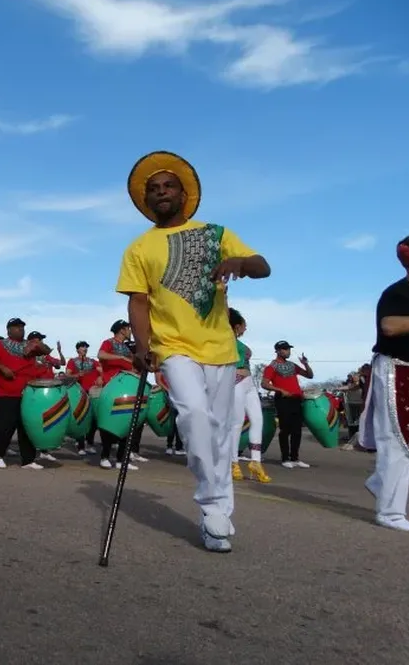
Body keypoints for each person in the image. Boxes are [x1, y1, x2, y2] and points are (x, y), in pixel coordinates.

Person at [116, 151, 270, 553]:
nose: (161, 192)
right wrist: (143, 347)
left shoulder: (216, 234)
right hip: (173, 348)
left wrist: (238, 261)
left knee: (220, 433)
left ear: (184, 194)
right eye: (153, 188)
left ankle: (217, 516)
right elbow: (138, 302)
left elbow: (262, 266)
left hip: (220, 348)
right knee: (195, 416)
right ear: (145, 199)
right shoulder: (138, 248)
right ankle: (212, 501)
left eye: (169, 186)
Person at [359, 235, 409, 532]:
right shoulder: (396, 292)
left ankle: (382, 484)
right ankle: (390, 512)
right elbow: (389, 327)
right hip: (397, 371)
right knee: (396, 442)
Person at [0, 318, 51, 469]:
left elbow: (47, 351)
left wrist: (37, 343)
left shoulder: (29, 344)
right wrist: (2, 368)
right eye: (16, 327)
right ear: (8, 330)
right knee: (5, 426)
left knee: (27, 426)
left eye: (22, 327)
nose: (20, 329)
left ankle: (28, 460)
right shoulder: (0, 345)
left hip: (28, 393)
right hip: (7, 392)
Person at [227, 309, 271, 483]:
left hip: (248, 382)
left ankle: (255, 462)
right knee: (236, 422)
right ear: (237, 326)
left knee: (257, 420)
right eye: (244, 326)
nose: (246, 329)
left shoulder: (237, 341)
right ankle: (233, 463)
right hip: (235, 381)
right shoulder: (225, 338)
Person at [97, 320, 145, 470]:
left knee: (127, 423)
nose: (130, 331)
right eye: (128, 329)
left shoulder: (127, 348)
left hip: (127, 388)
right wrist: (121, 358)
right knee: (108, 424)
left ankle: (121, 460)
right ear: (122, 330)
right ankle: (104, 456)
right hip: (112, 388)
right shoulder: (109, 343)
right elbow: (101, 355)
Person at [261, 341, 314, 468]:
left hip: (296, 399)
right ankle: (285, 459)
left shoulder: (292, 365)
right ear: (278, 351)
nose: (288, 351)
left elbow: (310, 375)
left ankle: (295, 458)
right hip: (283, 400)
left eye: (288, 349)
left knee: (297, 430)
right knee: (285, 429)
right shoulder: (271, 367)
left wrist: (305, 364)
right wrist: (280, 390)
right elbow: (264, 384)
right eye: (285, 349)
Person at [66, 341, 102, 455]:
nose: (85, 348)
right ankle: (81, 446)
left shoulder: (93, 361)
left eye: (86, 347)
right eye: (82, 347)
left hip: (93, 392)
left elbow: (102, 371)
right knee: (82, 418)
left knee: (93, 420)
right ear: (77, 349)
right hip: (79, 393)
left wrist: (101, 377)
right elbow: (67, 375)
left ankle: (89, 443)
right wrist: (77, 375)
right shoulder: (72, 361)